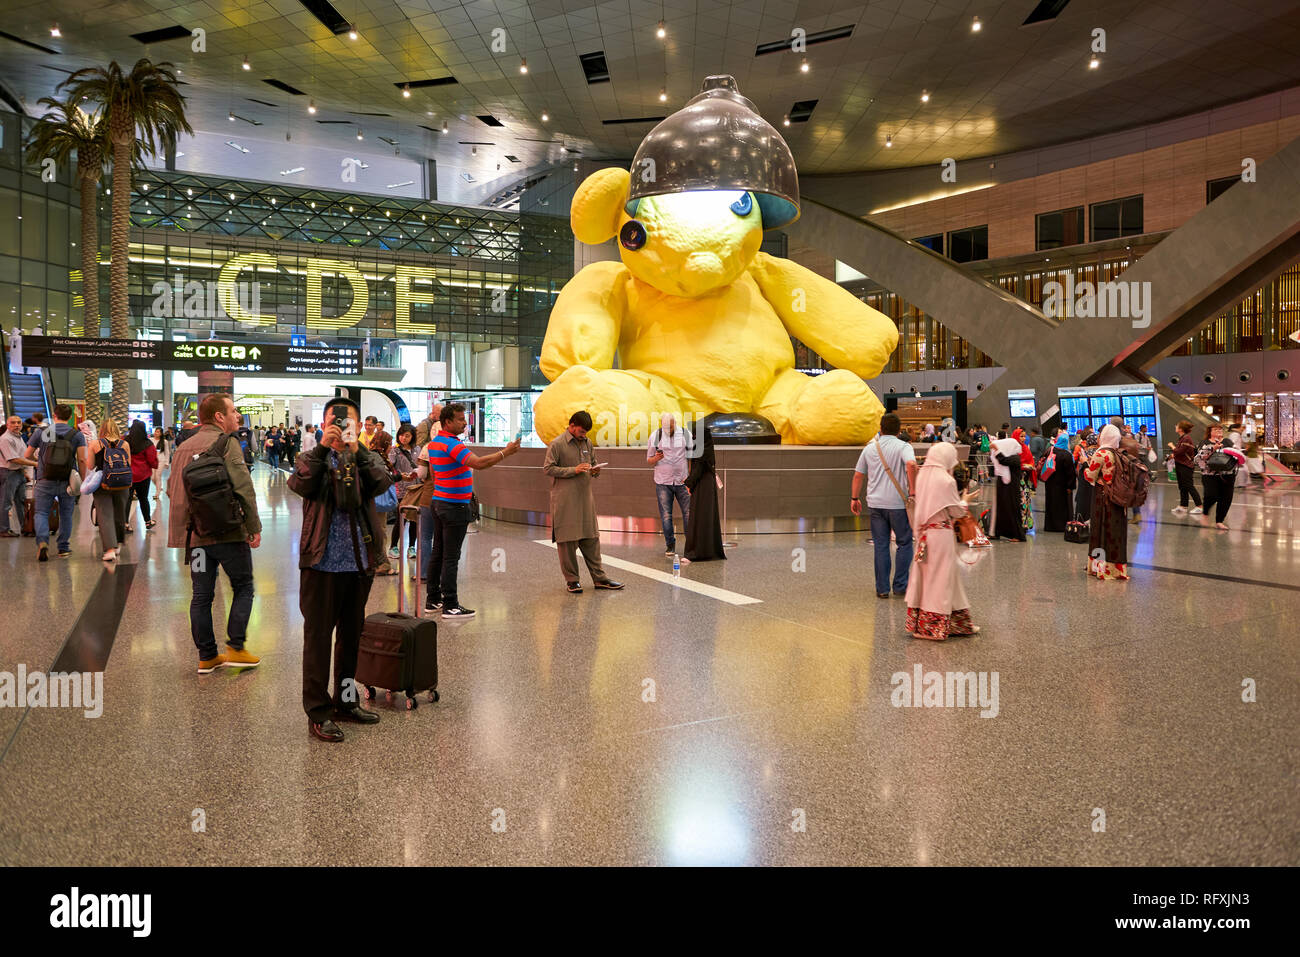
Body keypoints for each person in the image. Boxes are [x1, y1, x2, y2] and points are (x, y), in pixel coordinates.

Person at [289, 397, 392, 742]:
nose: (343, 429)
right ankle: (318, 712)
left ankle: (345, 703)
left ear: (361, 427)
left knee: (350, 639)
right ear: (323, 424)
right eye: (336, 422)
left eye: (350, 423)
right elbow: (300, 483)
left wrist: (357, 450)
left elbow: (383, 481)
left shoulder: (364, 459)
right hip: (320, 564)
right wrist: (323, 448)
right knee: (318, 640)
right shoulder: (312, 458)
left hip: (359, 564)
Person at [167, 394, 263, 673]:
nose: (237, 416)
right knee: (243, 586)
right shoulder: (227, 444)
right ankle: (235, 647)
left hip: (196, 538)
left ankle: (207, 656)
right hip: (228, 534)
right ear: (219, 417)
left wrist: (182, 533)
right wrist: (253, 528)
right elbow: (244, 488)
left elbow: (174, 490)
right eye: (233, 411)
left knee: (201, 595)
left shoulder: (184, 446)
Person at [420, 403, 521, 618]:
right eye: (460, 419)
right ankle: (451, 604)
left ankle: (433, 600)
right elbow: (479, 463)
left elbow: (435, 473)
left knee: (438, 552)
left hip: (439, 502)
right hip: (453, 506)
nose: (465, 423)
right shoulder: (451, 444)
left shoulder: (436, 443)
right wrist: (506, 452)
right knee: (450, 557)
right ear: (447, 422)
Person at [904, 442, 981, 640]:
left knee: (932, 578)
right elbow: (955, 511)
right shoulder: (946, 480)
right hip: (941, 536)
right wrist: (965, 500)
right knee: (942, 580)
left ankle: (956, 623)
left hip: (925, 536)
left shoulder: (922, 477)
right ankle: (933, 628)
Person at [543, 410, 624, 594]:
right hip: (565, 500)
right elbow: (548, 469)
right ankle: (572, 580)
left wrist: (595, 470)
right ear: (571, 426)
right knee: (568, 542)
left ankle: (600, 578)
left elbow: (593, 462)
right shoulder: (557, 444)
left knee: (591, 539)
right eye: (581, 431)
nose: (584, 435)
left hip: (585, 500)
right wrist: (574, 470)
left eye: (586, 432)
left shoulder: (587, 443)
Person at [850, 412, 917, 598]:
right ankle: (900, 585)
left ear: (881, 428)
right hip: (898, 504)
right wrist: (913, 491)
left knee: (881, 544)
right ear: (898, 430)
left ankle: (882, 589)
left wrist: (855, 498)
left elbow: (858, 475)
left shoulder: (870, 448)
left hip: (876, 504)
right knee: (904, 543)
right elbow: (911, 465)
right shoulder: (904, 446)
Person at [24, 404, 88, 562]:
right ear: (70, 416)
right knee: (66, 514)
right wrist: (83, 480)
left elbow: (27, 454)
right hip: (67, 481)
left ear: (54, 415)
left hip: (45, 479)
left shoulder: (43, 432)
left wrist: (40, 462)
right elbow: (81, 459)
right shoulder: (76, 435)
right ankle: (63, 548)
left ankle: (43, 542)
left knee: (41, 513)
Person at [1082, 424, 1130, 581]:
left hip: (1103, 498)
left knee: (1101, 531)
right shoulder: (1119, 453)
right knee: (1115, 533)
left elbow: (1090, 476)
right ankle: (1116, 568)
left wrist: (1084, 464)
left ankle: (1099, 568)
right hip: (1118, 498)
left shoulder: (1101, 453)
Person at [647, 412, 692, 557]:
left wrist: (690, 477)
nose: (668, 431)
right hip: (663, 481)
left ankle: (690, 546)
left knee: (688, 513)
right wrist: (656, 457)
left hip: (682, 481)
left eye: (670, 428)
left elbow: (691, 456)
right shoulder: (655, 436)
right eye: (665, 428)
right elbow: (649, 460)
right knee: (666, 515)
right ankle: (670, 545)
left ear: (675, 423)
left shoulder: (685, 434)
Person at [88, 418, 131, 562]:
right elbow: (129, 464)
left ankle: (110, 549)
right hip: (123, 483)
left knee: (105, 514)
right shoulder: (124, 444)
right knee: (120, 512)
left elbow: (90, 466)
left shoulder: (95, 444)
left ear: (102, 429)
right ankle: (118, 544)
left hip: (103, 483)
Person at [684, 424, 725, 562]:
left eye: (695, 436)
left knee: (699, 518)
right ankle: (707, 551)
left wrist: (688, 483)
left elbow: (698, 469)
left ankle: (696, 552)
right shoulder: (708, 448)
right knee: (706, 517)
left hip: (702, 486)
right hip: (706, 485)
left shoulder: (702, 450)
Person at [1194, 423, 1239, 530]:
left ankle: (1219, 521)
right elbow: (1197, 459)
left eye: (1220, 429)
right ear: (1210, 431)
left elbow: (1236, 455)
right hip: (1210, 475)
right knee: (1211, 495)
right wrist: (1212, 449)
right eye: (1216, 429)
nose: (1219, 431)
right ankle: (1205, 513)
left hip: (1228, 475)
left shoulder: (1228, 442)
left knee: (1226, 498)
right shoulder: (1204, 443)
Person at [387, 423, 421, 560]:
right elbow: (390, 466)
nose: (403, 438)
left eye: (407, 435)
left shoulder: (418, 449)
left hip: (416, 488)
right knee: (401, 518)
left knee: (414, 519)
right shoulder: (395, 451)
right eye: (401, 435)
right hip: (401, 488)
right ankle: (393, 546)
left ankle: (412, 546)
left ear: (412, 436)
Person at [989, 435, 1025, 542]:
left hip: (1011, 489)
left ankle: (1018, 535)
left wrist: (997, 449)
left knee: (1012, 509)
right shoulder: (1011, 457)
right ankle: (996, 532)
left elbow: (1003, 460)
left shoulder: (1014, 457)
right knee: (1000, 509)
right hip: (1005, 488)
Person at [125, 420, 159, 531]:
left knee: (127, 499)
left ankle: (125, 524)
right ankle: (148, 522)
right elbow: (152, 462)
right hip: (143, 476)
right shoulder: (147, 444)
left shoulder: (125, 441)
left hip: (127, 475)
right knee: (143, 498)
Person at [1041, 430, 1077, 532]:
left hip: (1050, 483)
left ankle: (1050, 526)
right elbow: (1071, 473)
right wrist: (1070, 486)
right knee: (1063, 506)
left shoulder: (1050, 450)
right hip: (1062, 486)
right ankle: (1062, 526)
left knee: (1051, 504)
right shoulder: (1067, 455)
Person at [1, 415, 31, 536]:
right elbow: (14, 459)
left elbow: (22, 456)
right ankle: (3, 529)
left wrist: (24, 472)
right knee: (6, 502)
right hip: (9, 473)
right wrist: (35, 463)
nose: (16, 425)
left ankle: (26, 527)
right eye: (13, 423)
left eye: (18, 422)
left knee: (22, 501)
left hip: (18, 473)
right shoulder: (5, 439)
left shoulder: (18, 438)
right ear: (7, 425)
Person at [1167, 420, 1203, 515]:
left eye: (1177, 426)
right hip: (1180, 464)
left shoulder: (1186, 438)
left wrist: (1172, 446)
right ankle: (1183, 506)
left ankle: (1199, 506)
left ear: (1180, 429)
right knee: (1182, 486)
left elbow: (1179, 451)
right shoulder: (1182, 438)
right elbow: (1181, 452)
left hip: (1186, 466)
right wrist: (1173, 455)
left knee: (1189, 486)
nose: (1175, 427)